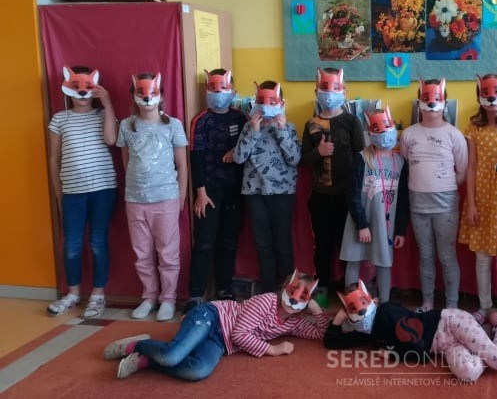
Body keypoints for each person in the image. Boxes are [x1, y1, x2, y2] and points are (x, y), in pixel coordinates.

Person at [103, 270, 329, 380]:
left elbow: (322, 333)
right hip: (211, 317)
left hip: (221, 343)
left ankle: (146, 361)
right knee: (172, 356)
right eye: (292, 292)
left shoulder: (294, 322)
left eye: (303, 298)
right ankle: (136, 345)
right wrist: (273, 349)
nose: (294, 301)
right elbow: (240, 334)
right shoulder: (265, 301)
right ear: (283, 288)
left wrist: (316, 309)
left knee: (197, 371)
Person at [324, 280, 497, 383]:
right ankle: (482, 335)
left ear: (374, 301)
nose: (360, 312)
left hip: (449, 323)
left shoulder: (388, 312)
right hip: (444, 346)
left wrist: (393, 354)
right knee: (467, 373)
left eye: (362, 303)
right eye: (352, 309)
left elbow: (420, 350)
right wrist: (339, 317)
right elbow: (331, 342)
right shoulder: (368, 333)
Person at [46, 66, 117, 319]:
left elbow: (111, 140)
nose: (82, 93)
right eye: (76, 88)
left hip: (103, 189)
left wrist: (107, 102)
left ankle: (98, 294)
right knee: (72, 244)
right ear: (67, 88)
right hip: (72, 193)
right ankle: (73, 293)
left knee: (97, 241)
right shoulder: (59, 119)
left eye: (88, 87)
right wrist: (59, 193)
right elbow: (54, 159)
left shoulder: (102, 115)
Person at [117, 72, 188, 321]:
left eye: (152, 92)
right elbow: (126, 162)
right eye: (141, 93)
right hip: (135, 200)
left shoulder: (173, 125)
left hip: (166, 198)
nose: (147, 98)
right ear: (134, 96)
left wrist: (181, 197)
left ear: (161, 95)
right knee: (142, 253)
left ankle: (168, 299)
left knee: (167, 252)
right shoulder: (126, 125)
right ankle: (149, 297)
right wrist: (134, 189)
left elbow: (182, 164)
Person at [400, 78, 468, 311]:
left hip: (445, 205)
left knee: (447, 256)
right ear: (419, 101)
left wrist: (443, 187)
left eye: (436, 98)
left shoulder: (454, 135)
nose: (431, 103)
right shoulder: (408, 134)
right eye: (426, 98)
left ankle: (451, 305)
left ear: (444, 102)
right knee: (426, 255)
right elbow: (407, 162)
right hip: (417, 204)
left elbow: (462, 170)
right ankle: (427, 301)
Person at [458, 70, 497, 319]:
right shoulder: (474, 127)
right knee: (482, 259)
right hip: (482, 199)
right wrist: (471, 203)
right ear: (479, 96)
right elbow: (471, 166)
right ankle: (484, 306)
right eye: (486, 93)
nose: (492, 98)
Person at [185, 69, 247, 314]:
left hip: (235, 191)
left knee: (228, 242)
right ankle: (196, 294)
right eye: (213, 88)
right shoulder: (200, 121)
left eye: (223, 88)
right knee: (204, 242)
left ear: (232, 91)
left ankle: (224, 289)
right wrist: (200, 192)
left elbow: (249, 145)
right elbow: (196, 158)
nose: (218, 93)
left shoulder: (241, 118)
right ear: (206, 90)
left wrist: (237, 151)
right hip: (208, 192)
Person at [300, 68, 365, 300]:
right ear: (316, 91)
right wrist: (318, 152)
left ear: (344, 91)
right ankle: (323, 288)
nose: (329, 93)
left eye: (334, 88)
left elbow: (361, 156)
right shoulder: (311, 124)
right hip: (320, 195)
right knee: (323, 245)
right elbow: (304, 160)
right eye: (324, 88)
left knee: (346, 244)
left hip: (347, 196)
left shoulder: (352, 122)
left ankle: (350, 289)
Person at [233, 81, 301, 293]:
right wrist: (253, 132)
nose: (267, 106)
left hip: (283, 193)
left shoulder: (289, 128)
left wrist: (282, 131)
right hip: (254, 193)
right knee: (263, 245)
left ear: (281, 103)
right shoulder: (248, 127)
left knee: (283, 243)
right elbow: (238, 158)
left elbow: (295, 159)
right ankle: (269, 293)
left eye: (272, 101)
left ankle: (288, 292)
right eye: (262, 101)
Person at [339, 106, 408, 303]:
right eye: (378, 130)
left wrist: (400, 230)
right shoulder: (362, 158)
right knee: (354, 260)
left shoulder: (400, 162)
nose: (384, 135)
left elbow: (403, 200)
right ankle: (352, 303)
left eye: (387, 129)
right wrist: (362, 224)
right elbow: (352, 194)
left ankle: (384, 305)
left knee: (384, 263)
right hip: (360, 221)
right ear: (371, 134)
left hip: (385, 224)